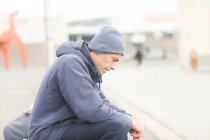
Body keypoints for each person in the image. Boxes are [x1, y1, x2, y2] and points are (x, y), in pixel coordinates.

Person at [4, 26, 144, 140]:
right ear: (100, 51)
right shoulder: (70, 64)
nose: (114, 67)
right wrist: (129, 122)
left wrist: (129, 118)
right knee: (115, 128)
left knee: (116, 123)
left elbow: (103, 103)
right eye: (114, 59)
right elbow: (91, 111)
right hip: (47, 133)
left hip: (62, 128)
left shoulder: (85, 67)